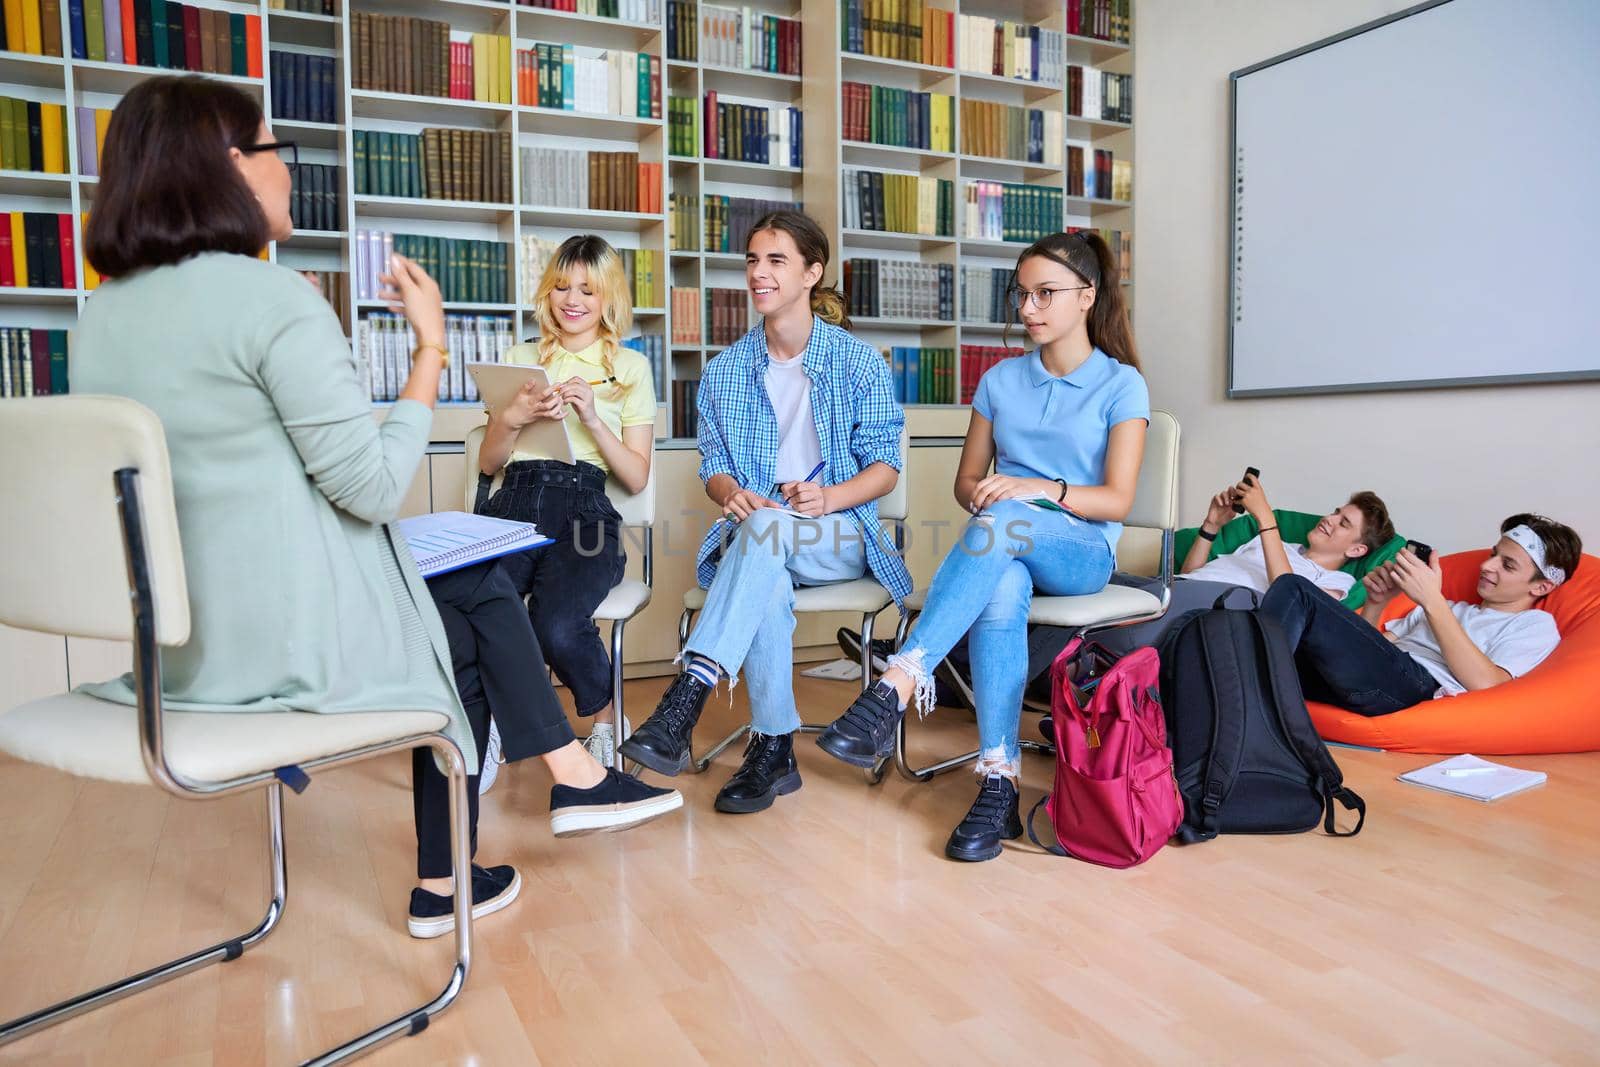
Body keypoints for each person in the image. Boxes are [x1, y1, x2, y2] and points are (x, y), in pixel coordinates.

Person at [71, 76, 679, 940]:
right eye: (278, 151)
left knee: (472, 596)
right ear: (227, 166)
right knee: (469, 595)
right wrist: (430, 350)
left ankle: (459, 870)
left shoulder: (99, 318)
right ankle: (565, 777)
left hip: (175, 655)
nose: (290, 173)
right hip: (286, 652)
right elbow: (372, 487)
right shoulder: (274, 301)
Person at [815, 230, 1148, 863]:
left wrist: (1034, 489)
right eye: (1021, 295)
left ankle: (898, 680)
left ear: (1087, 296)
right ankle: (999, 784)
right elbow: (967, 483)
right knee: (999, 580)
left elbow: (1117, 501)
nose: (1028, 309)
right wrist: (992, 497)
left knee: (1006, 527)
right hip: (1005, 548)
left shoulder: (1122, 384)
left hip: (1080, 551)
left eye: (1045, 294)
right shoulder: (999, 381)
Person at [618, 210, 910, 814]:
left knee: (768, 528)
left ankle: (688, 693)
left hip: (838, 535)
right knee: (766, 567)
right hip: (760, 540)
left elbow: (885, 467)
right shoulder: (725, 371)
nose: (759, 272)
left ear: (812, 273)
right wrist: (730, 494)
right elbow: (713, 468)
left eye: (776, 260)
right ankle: (773, 750)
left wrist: (829, 497)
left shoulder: (858, 363)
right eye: (752, 260)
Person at [475, 235, 656, 769]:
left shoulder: (629, 369)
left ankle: (604, 719)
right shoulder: (519, 359)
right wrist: (512, 419)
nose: (572, 300)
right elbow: (489, 465)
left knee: (554, 623)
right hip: (515, 499)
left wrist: (593, 418)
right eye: (561, 286)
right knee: (481, 606)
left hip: (585, 507)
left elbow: (637, 476)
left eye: (587, 290)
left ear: (608, 300)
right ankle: (487, 727)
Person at [1260, 513, 1580, 715]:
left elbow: (1487, 684)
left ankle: (1254, 706)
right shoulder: (1453, 608)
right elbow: (1367, 651)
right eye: (1494, 555)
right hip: (1372, 680)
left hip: (1415, 686)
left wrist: (1433, 602)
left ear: (1541, 587)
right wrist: (1375, 603)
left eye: (1507, 565)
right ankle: (1248, 696)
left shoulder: (1535, 624)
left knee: (1295, 589)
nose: (1487, 565)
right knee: (1240, 622)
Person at [1094, 479, 1395, 655]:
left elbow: (1289, 596)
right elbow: (1193, 574)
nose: (1329, 519)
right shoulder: (1280, 545)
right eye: (1335, 512)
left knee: (1127, 618)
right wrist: (1211, 526)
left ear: (1357, 549)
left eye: (1343, 523)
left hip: (1227, 606)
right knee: (1097, 586)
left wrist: (1265, 518)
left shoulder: (1336, 580)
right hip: (1183, 588)